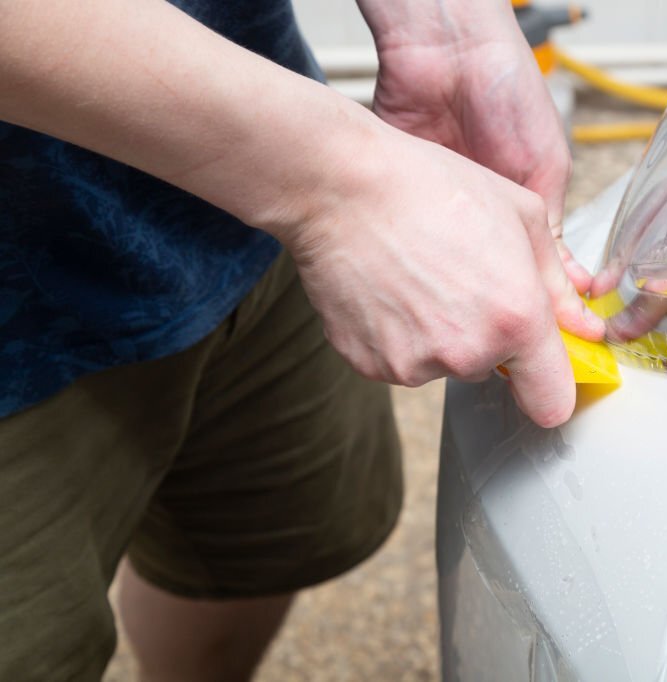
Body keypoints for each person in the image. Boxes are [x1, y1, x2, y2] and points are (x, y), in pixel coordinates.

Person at [0, 0, 605, 679]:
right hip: (20, 328)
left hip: (253, 195)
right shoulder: (329, 180)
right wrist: (337, 187)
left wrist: (443, 23)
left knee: (260, 545)